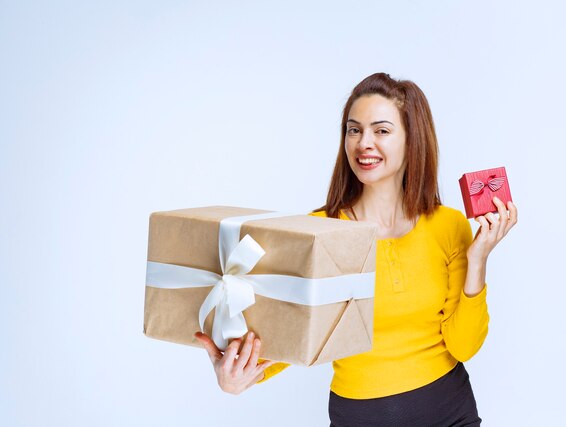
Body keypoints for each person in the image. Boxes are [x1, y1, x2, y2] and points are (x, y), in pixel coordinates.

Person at [194, 72, 518, 426]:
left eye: (381, 130)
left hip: (450, 412)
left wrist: (478, 260)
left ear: (412, 140)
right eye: (354, 130)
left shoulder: (448, 225)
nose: (364, 142)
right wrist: (241, 374)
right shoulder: (318, 230)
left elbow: (464, 346)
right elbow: (295, 332)